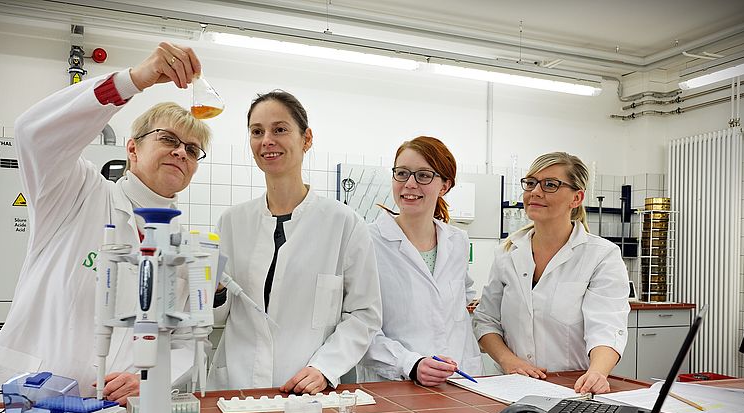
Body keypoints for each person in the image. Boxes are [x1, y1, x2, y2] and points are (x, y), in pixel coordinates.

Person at [0, 42, 210, 406]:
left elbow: (182, 340)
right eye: (168, 139)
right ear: (132, 149)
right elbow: (32, 132)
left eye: (193, 149)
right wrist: (133, 80)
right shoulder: (77, 192)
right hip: (22, 407)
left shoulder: (181, 247)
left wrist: (153, 376)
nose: (181, 151)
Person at [207, 90, 382, 394]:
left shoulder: (344, 223)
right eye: (256, 132)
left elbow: (364, 314)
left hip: (309, 386)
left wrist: (324, 367)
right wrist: (215, 293)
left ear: (307, 138)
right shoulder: (231, 223)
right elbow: (217, 314)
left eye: (280, 129)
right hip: (237, 384)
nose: (267, 141)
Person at [472, 152, 629, 394]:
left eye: (550, 185)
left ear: (576, 198)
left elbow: (606, 327)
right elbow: (486, 320)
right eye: (531, 183)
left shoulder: (601, 255)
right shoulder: (507, 252)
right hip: (510, 386)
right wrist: (507, 360)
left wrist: (597, 372)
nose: (535, 191)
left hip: (571, 385)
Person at [357, 136, 483, 386]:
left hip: (460, 378)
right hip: (396, 382)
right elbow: (358, 324)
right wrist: (410, 363)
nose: (410, 184)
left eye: (423, 175)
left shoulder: (456, 241)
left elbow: (463, 294)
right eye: (402, 173)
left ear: (445, 185)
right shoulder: (366, 241)